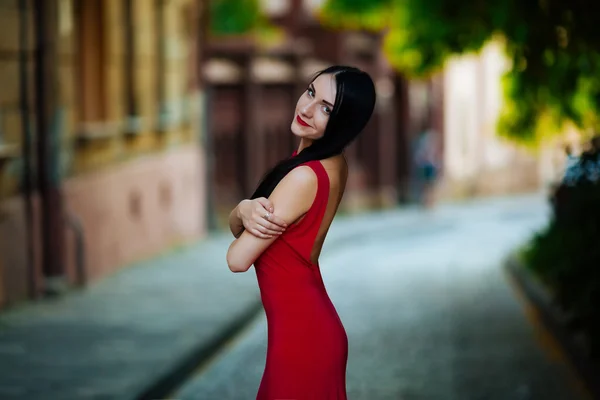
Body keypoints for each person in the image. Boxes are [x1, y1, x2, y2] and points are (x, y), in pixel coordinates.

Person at [226, 66, 376, 399]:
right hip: (311, 332)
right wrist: (243, 210)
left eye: (327, 109)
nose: (307, 109)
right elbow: (244, 228)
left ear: (344, 122)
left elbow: (237, 258)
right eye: (310, 92)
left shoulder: (302, 178)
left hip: (302, 343)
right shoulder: (331, 163)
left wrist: (242, 210)